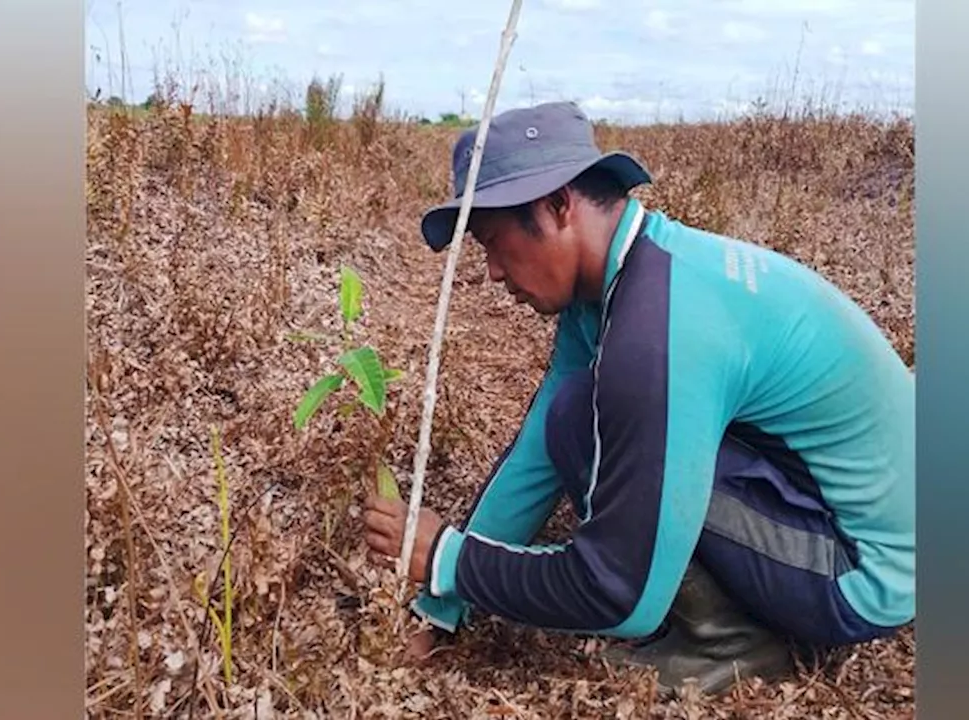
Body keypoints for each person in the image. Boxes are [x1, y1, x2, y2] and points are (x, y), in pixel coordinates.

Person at [361, 101, 915, 696]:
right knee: (577, 415)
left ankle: (730, 638)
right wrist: (443, 604)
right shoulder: (636, 275)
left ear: (558, 206)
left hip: (862, 574)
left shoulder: (658, 331)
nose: (493, 272)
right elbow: (540, 450)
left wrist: (450, 559)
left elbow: (620, 592)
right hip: (834, 506)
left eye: (495, 242)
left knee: (602, 416)